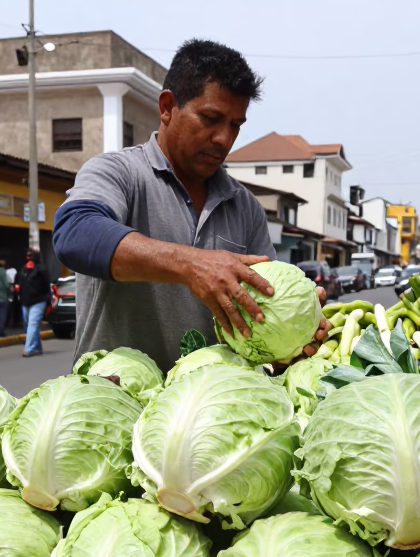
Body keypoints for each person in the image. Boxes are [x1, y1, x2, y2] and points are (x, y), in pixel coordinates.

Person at [52, 38, 328, 369]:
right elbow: (75, 233)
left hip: (211, 409)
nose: (224, 138)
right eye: (211, 118)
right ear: (168, 106)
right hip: (116, 405)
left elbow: (258, 318)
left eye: (235, 125)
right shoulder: (119, 172)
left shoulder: (245, 207)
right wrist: (193, 265)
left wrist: (295, 336)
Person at [15, 249, 51, 357]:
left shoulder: (41, 269)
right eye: (27, 256)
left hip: (39, 300)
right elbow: (18, 283)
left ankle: (29, 348)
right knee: (29, 324)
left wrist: (48, 299)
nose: (28, 258)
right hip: (25, 301)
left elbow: (46, 285)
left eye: (31, 256)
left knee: (33, 323)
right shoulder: (24, 269)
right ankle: (37, 347)